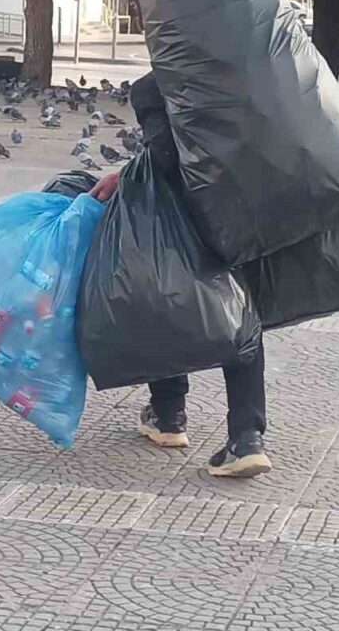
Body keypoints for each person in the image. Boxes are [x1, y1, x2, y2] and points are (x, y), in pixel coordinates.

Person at [90, 71, 271, 479]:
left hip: (185, 218)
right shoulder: (249, 74)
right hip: (242, 212)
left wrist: (129, 175)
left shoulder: (158, 86)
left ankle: (171, 412)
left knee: (163, 295)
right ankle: (245, 436)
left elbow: (168, 157)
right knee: (241, 315)